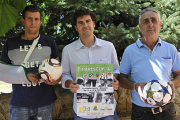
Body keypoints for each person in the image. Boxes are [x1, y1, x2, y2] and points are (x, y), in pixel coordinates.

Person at [0, 5, 61, 120]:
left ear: (40, 21)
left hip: (45, 102)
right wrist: (23, 76)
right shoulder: (10, 44)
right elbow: (2, 72)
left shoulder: (49, 42)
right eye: (29, 18)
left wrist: (55, 80)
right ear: (23, 21)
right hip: (19, 103)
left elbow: (57, 70)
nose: (33, 22)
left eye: (36, 19)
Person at [119, 8, 180, 120]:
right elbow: (121, 78)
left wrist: (173, 83)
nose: (150, 24)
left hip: (167, 111)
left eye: (154, 20)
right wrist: (135, 86)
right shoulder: (130, 51)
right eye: (146, 21)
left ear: (159, 25)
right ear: (140, 27)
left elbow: (179, 74)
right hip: (141, 113)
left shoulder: (170, 49)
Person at [61, 7, 119, 120]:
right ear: (76, 28)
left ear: (93, 24)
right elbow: (64, 74)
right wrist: (70, 84)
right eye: (80, 23)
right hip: (82, 112)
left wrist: (114, 79)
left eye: (88, 21)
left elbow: (116, 70)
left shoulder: (108, 47)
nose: (85, 25)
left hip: (107, 110)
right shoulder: (68, 50)